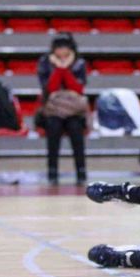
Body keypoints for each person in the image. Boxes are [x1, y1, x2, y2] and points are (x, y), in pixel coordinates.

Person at [37, 33, 88, 185]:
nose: (62, 51)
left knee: (75, 128)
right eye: (59, 48)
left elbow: (78, 88)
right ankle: (52, 171)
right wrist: (59, 69)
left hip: (74, 110)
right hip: (53, 109)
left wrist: (65, 69)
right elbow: (49, 88)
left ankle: (81, 171)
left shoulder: (79, 63)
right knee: (53, 127)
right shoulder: (45, 63)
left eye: (65, 47)